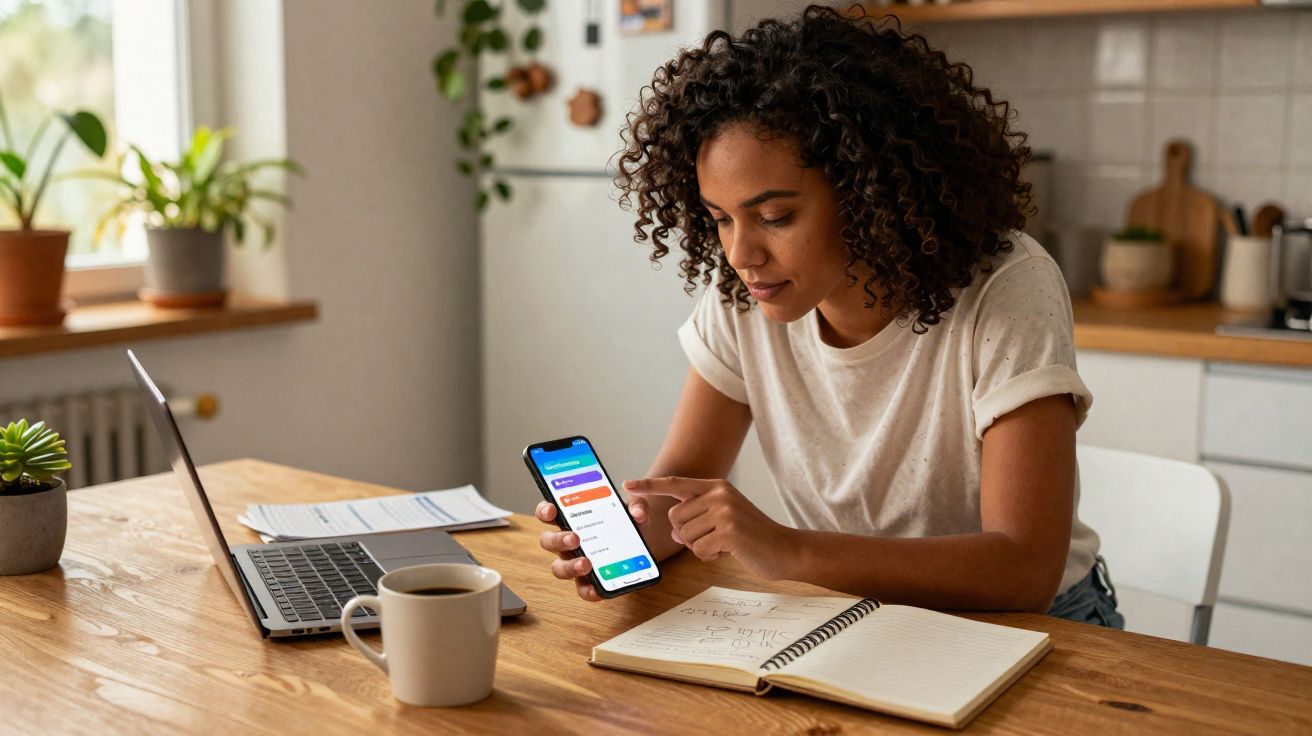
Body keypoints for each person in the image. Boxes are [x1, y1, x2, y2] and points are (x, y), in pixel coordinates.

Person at [536, 5, 1123, 627]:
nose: (741, 255)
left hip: (1040, 627)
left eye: (776, 217)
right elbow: (679, 490)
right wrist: (620, 543)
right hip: (850, 614)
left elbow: (1024, 571)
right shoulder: (745, 296)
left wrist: (787, 548)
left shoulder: (1006, 287)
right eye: (721, 218)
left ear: (867, 193)